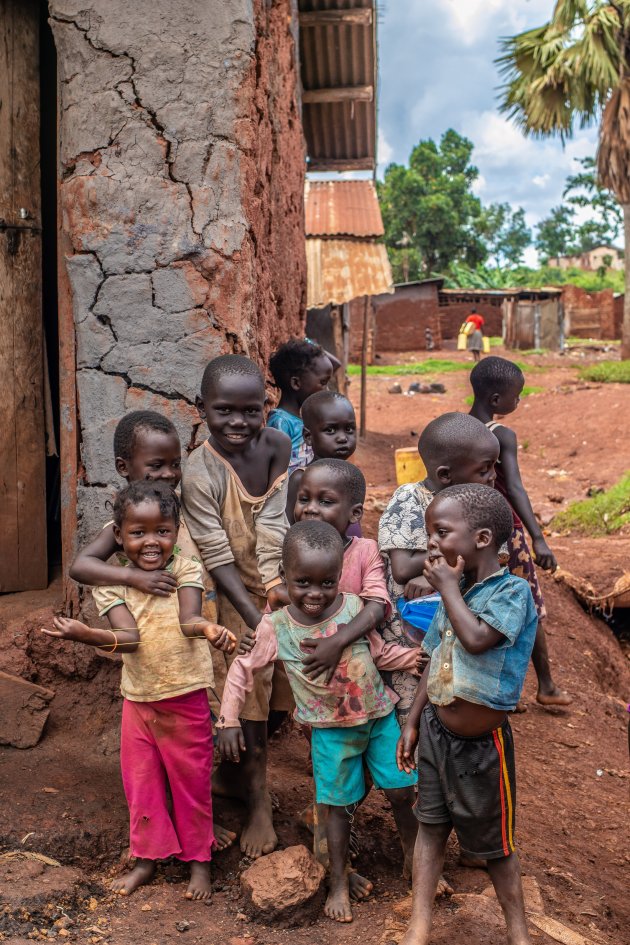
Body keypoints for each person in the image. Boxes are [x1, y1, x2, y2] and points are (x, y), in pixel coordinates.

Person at [216, 521, 418, 924]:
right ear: (285, 575)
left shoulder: (353, 609)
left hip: (378, 719)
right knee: (337, 809)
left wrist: (410, 659)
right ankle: (338, 881)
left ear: (340, 574)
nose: (315, 593)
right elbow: (242, 670)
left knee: (402, 792)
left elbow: (376, 653)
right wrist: (228, 720)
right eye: (302, 582)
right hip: (330, 734)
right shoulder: (276, 627)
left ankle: (415, 860)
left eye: (326, 582)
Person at [43, 481, 236, 899]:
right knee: (141, 785)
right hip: (138, 700)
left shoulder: (185, 567)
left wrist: (207, 627)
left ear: (176, 530)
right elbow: (128, 640)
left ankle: (199, 864)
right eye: (138, 533)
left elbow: (188, 620)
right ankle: (147, 860)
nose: (152, 542)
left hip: (186, 696)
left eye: (162, 531)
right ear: (119, 535)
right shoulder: (111, 583)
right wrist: (87, 635)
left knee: (192, 784)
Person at [69, 411, 236, 853]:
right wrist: (135, 579)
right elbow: (81, 567)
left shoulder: (177, 514)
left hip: (194, 629)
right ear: (125, 468)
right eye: (154, 465)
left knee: (196, 753)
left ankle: (202, 830)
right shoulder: (123, 527)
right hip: (147, 660)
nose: (167, 475)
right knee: (151, 762)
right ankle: (161, 840)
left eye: (172, 464)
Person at [397, 483, 538, 945]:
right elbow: (436, 656)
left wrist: (450, 590)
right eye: (428, 533)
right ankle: (420, 923)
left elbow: (477, 639)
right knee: (431, 827)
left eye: (440, 531)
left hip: (482, 747)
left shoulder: (511, 592)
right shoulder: (455, 593)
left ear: (480, 538)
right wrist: (414, 721)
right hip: (437, 733)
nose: (431, 543)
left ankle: (518, 931)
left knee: (496, 846)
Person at [180, 354, 292, 859]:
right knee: (244, 691)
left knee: (278, 696)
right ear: (201, 408)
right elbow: (216, 553)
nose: (238, 423)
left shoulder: (278, 446)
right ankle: (258, 803)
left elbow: (275, 524)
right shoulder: (199, 471)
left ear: (266, 408)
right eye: (224, 411)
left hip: (278, 588)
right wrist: (255, 619)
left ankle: (236, 779)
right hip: (231, 597)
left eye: (251, 411)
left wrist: (277, 602)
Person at [378, 413, 500, 722]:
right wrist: (445, 560)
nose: (492, 476)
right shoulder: (410, 499)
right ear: (446, 475)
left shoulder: (480, 505)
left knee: (450, 700)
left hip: (457, 624)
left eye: (494, 467)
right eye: (484, 469)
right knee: (411, 704)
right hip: (410, 630)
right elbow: (403, 567)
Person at [469, 356, 571, 708]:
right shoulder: (501, 435)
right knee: (527, 604)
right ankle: (546, 685)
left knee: (479, 604)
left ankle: (483, 686)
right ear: (497, 400)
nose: (519, 401)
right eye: (518, 395)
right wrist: (538, 538)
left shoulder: (456, 429)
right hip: (505, 532)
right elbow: (514, 487)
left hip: (466, 532)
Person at [286, 390, 359, 532]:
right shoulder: (302, 478)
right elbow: (287, 528)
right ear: (308, 436)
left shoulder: (351, 476)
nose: (342, 438)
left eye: (349, 429)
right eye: (330, 430)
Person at [267, 339, 334, 474]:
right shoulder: (281, 422)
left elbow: (336, 364)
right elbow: (276, 472)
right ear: (296, 383)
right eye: (323, 383)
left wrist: (309, 342)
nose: (327, 390)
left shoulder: (302, 418)